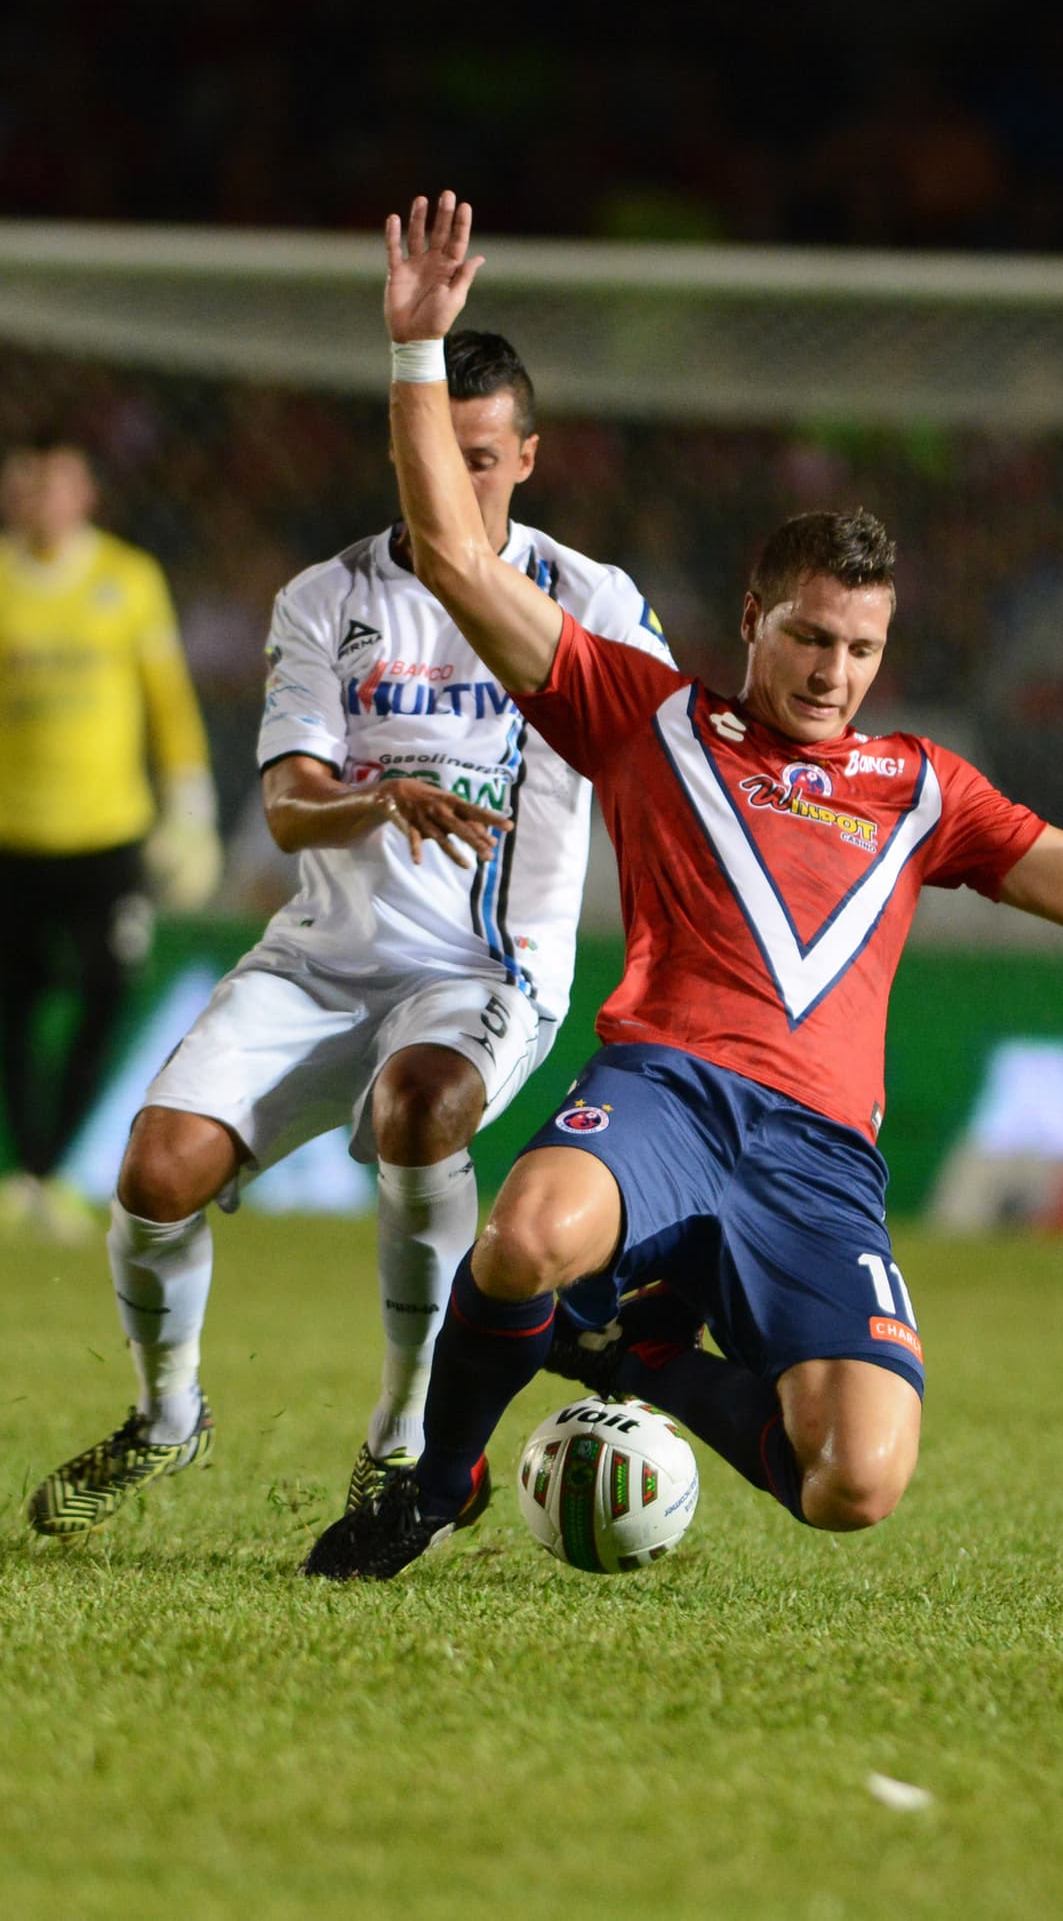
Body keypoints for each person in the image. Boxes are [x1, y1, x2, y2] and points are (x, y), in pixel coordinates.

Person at [301, 192, 1063, 1581]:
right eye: (809, 637)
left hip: (821, 1162)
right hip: (670, 1092)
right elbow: (453, 556)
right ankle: (435, 1486)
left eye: (860, 648)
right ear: (754, 618)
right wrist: (417, 357)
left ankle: (641, 1353)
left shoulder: (924, 789)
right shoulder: (644, 714)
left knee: (853, 1485)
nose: (833, 671)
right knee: (520, 1235)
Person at [26, 331, 672, 1539]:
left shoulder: (591, 601)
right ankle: (167, 1419)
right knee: (154, 1174)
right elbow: (283, 804)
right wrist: (379, 797)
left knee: (419, 1104)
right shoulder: (327, 598)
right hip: (320, 960)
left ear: (526, 459)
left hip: (486, 969)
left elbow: (666, 769)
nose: (459, 477)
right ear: (401, 449)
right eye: (437, 450)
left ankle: (405, 1440)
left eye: (484, 457)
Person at [0, 435, 220, 1246]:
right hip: (13, 834)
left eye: (56, 483)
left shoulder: (127, 580)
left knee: (105, 994)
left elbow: (167, 699)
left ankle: (51, 1170)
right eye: (26, 483)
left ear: (85, 494)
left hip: (108, 835)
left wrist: (188, 804)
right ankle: (27, 1173)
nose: (41, 499)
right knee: (15, 1007)